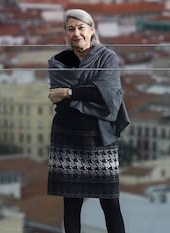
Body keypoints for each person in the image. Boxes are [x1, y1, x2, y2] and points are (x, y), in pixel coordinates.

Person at [47, 8, 130, 233]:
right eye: (71, 29)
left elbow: (108, 95)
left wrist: (69, 92)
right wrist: (88, 91)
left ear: (91, 30)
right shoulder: (56, 61)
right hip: (67, 134)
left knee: (110, 202)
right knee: (71, 204)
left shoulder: (107, 57)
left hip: (99, 137)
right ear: (66, 33)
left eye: (81, 28)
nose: (76, 33)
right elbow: (61, 99)